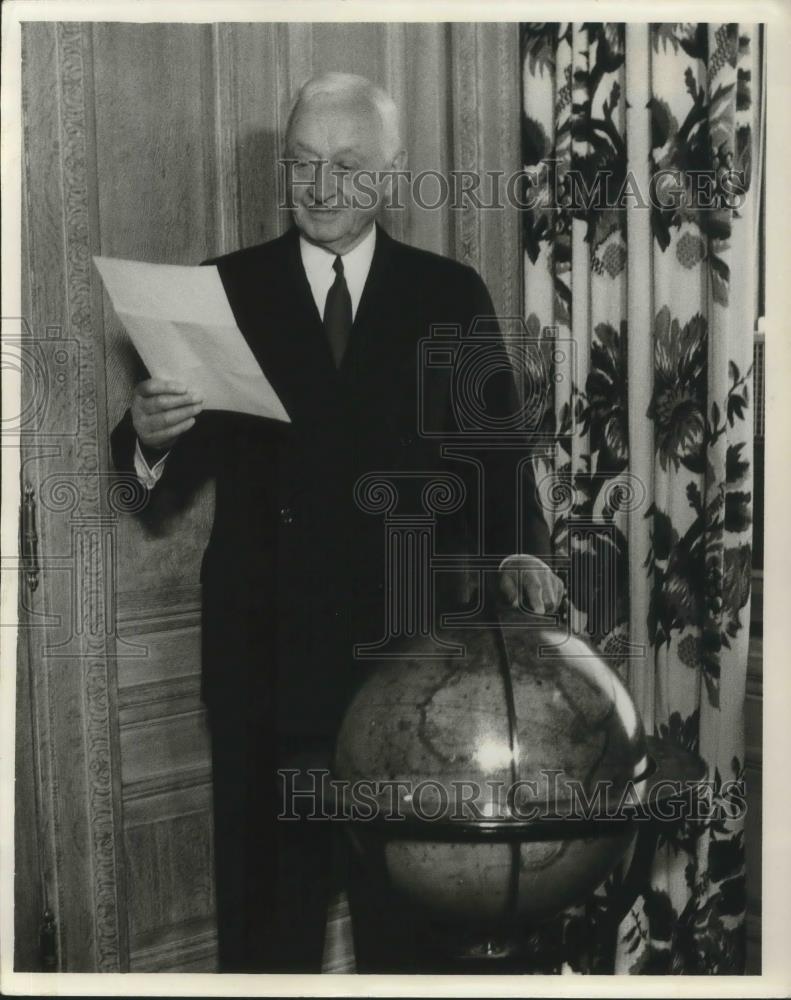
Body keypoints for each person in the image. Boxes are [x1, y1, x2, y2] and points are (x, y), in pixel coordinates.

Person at [111, 71, 564, 973]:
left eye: (346, 167)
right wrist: (145, 440)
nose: (319, 188)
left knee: (411, 941)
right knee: (265, 941)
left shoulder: (446, 293)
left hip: (409, 678)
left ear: (391, 175)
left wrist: (521, 550)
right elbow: (148, 489)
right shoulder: (223, 289)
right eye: (302, 163)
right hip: (263, 672)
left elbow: (499, 461)